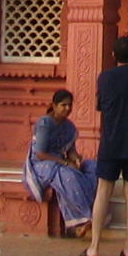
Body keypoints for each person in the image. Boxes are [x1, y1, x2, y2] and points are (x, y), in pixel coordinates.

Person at [84, 36, 128, 256]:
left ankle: (94, 246)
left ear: (114, 55)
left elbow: (101, 106)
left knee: (103, 190)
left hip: (112, 140)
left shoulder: (105, 78)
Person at [23, 90, 101, 234]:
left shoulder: (69, 126)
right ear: (54, 105)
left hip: (60, 160)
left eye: (69, 105)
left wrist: (77, 159)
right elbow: (40, 154)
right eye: (63, 105)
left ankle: (95, 210)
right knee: (68, 174)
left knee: (94, 168)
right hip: (41, 164)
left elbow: (70, 151)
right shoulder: (45, 123)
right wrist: (65, 163)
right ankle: (83, 218)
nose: (67, 109)